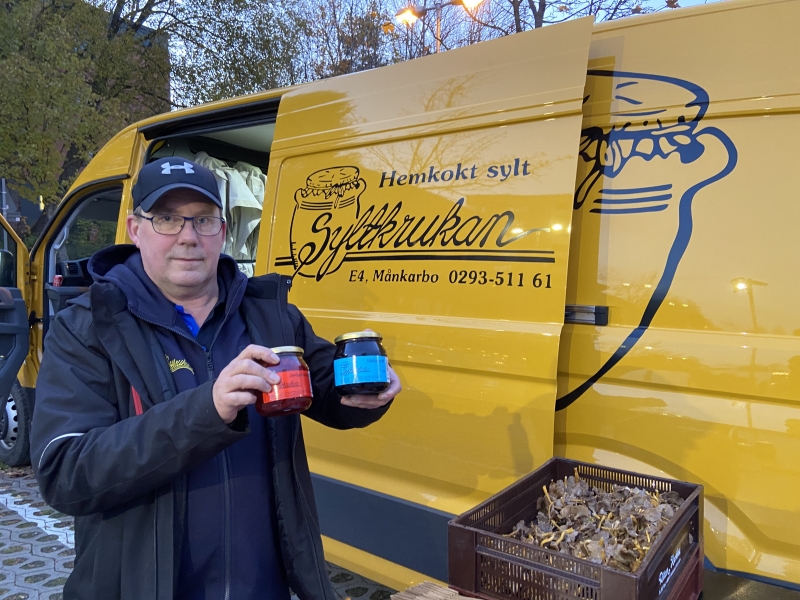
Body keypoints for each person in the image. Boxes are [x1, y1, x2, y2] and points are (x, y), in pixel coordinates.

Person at [30, 159, 401, 600]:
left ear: (222, 231)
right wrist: (208, 410)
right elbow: (66, 473)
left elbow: (331, 392)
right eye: (167, 218)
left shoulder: (271, 316)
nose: (188, 236)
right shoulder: (90, 326)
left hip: (263, 588)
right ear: (135, 229)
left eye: (203, 220)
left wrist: (366, 390)